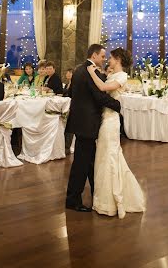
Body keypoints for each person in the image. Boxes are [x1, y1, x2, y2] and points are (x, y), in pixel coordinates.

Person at [86, 47, 145, 218]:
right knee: (104, 156)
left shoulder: (122, 76)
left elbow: (103, 88)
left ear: (118, 58)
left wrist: (91, 72)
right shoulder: (113, 74)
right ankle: (104, 198)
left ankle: (110, 201)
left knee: (109, 156)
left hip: (111, 122)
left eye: (110, 58)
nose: (108, 61)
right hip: (105, 118)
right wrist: (102, 72)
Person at [66, 44, 122, 213]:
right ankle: (72, 199)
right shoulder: (90, 71)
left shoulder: (79, 69)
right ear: (95, 55)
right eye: (103, 56)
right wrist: (119, 105)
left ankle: (98, 193)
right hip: (87, 123)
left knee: (89, 161)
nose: (104, 59)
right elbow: (99, 96)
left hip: (81, 121)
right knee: (81, 164)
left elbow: (71, 94)